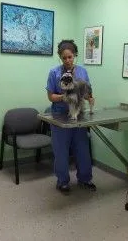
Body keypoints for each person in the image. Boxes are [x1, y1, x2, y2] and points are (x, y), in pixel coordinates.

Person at [46, 40, 96, 194]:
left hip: (78, 116)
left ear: (75, 55)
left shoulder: (82, 72)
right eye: (64, 58)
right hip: (60, 117)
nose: (68, 60)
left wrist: (89, 98)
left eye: (70, 57)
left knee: (82, 149)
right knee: (61, 151)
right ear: (60, 58)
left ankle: (85, 179)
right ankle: (63, 182)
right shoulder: (54, 73)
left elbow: (87, 91)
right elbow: (50, 96)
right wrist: (64, 97)